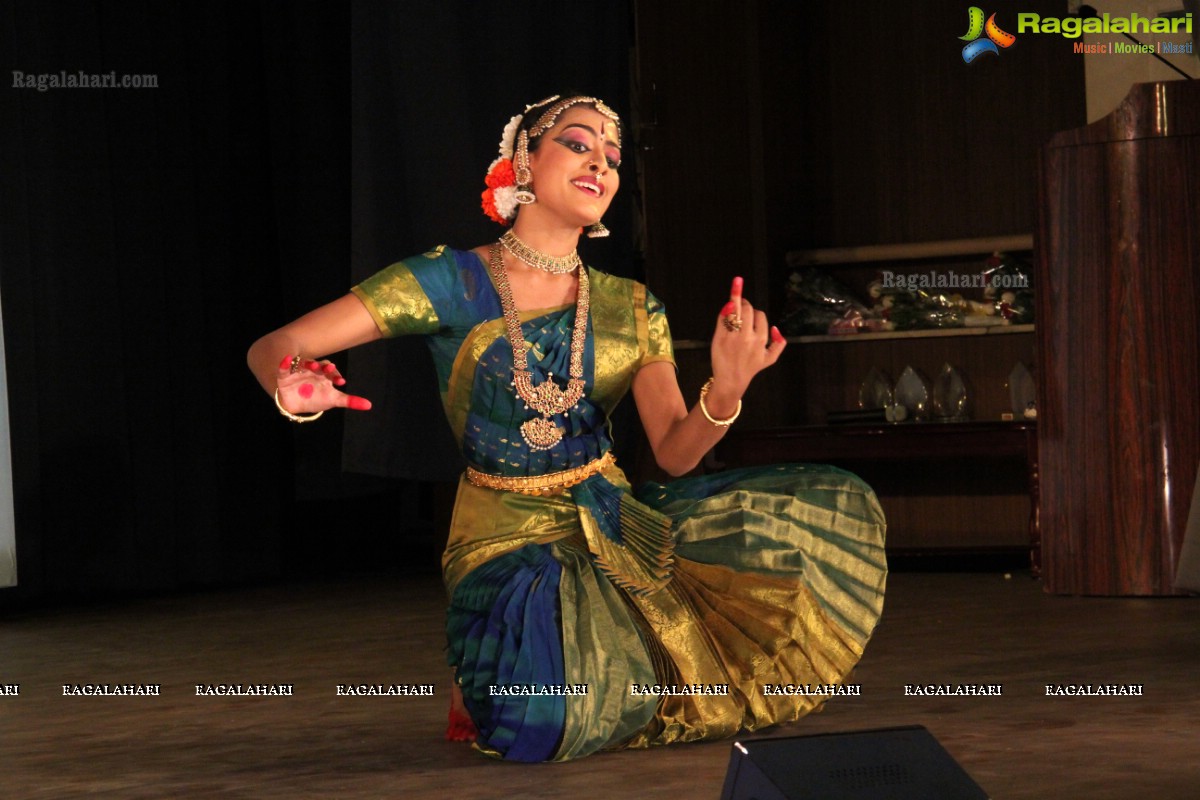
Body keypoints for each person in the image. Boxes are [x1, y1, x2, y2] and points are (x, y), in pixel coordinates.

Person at [247, 94, 887, 762]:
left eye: (612, 156)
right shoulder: (450, 281)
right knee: (547, 721)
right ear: (522, 161)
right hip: (500, 531)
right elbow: (276, 344)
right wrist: (292, 380)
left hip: (612, 525)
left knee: (756, 597)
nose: (601, 164)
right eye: (579, 144)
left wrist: (725, 393)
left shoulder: (631, 307)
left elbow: (673, 454)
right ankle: (499, 657)